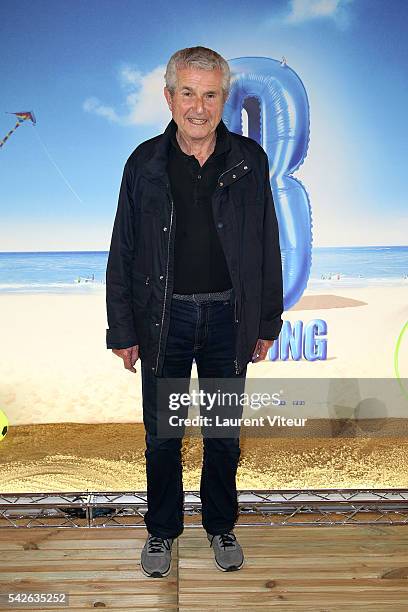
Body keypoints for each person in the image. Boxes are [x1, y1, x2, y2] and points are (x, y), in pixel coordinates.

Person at [106, 46, 283, 577]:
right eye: (188, 93)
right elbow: (123, 249)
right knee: (163, 437)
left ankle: (220, 526)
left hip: (229, 322)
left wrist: (266, 321)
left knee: (223, 435)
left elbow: (266, 246)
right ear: (169, 97)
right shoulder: (144, 163)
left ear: (224, 98)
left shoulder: (251, 161)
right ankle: (161, 533)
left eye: (210, 95)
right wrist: (123, 327)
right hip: (165, 322)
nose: (199, 107)